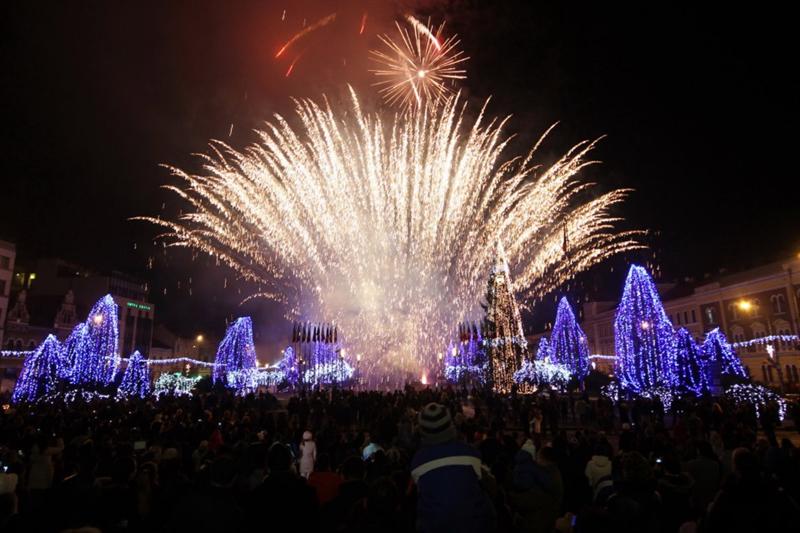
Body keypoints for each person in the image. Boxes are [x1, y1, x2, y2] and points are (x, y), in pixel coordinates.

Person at [410, 402, 495, 533]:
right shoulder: (470, 453)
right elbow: (490, 484)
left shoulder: (418, 461)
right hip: (473, 525)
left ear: (422, 431)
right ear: (451, 426)